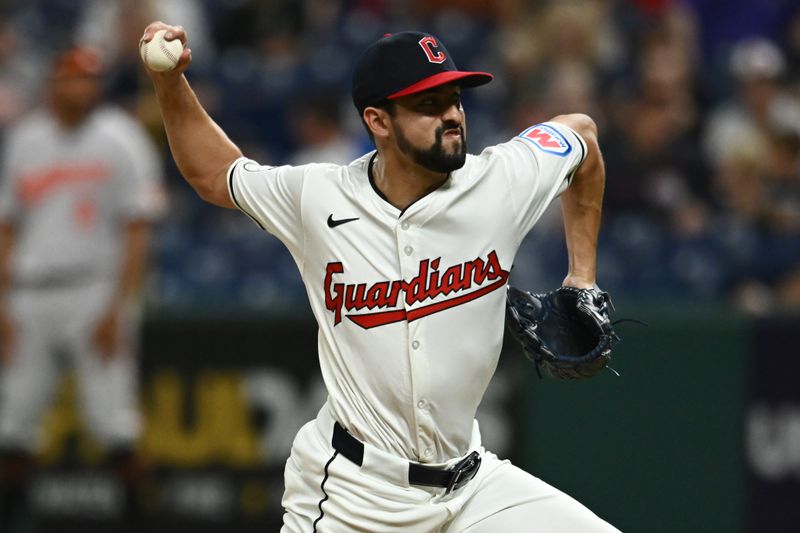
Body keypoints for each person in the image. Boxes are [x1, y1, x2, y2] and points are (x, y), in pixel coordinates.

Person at [141, 21, 618, 532]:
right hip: (354, 496)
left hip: (473, 487)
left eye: (454, 98)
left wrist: (581, 278)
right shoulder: (319, 197)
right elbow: (215, 174)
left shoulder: (500, 180)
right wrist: (170, 83)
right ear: (378, 120)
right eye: (429, 105)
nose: (452, 116)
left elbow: (582, 135)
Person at [0, 46, 165, 531]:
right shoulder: (26, 140)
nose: (80, 87)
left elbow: (138, 229)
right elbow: (8, 227)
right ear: (53, 84)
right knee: (14, 420)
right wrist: (3, 303)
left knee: (112, 421)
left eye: (88, 79)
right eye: (71, 79)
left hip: (95, 287)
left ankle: (141, 519)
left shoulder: (122, 138)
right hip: (29, 291)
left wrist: (120, 307)